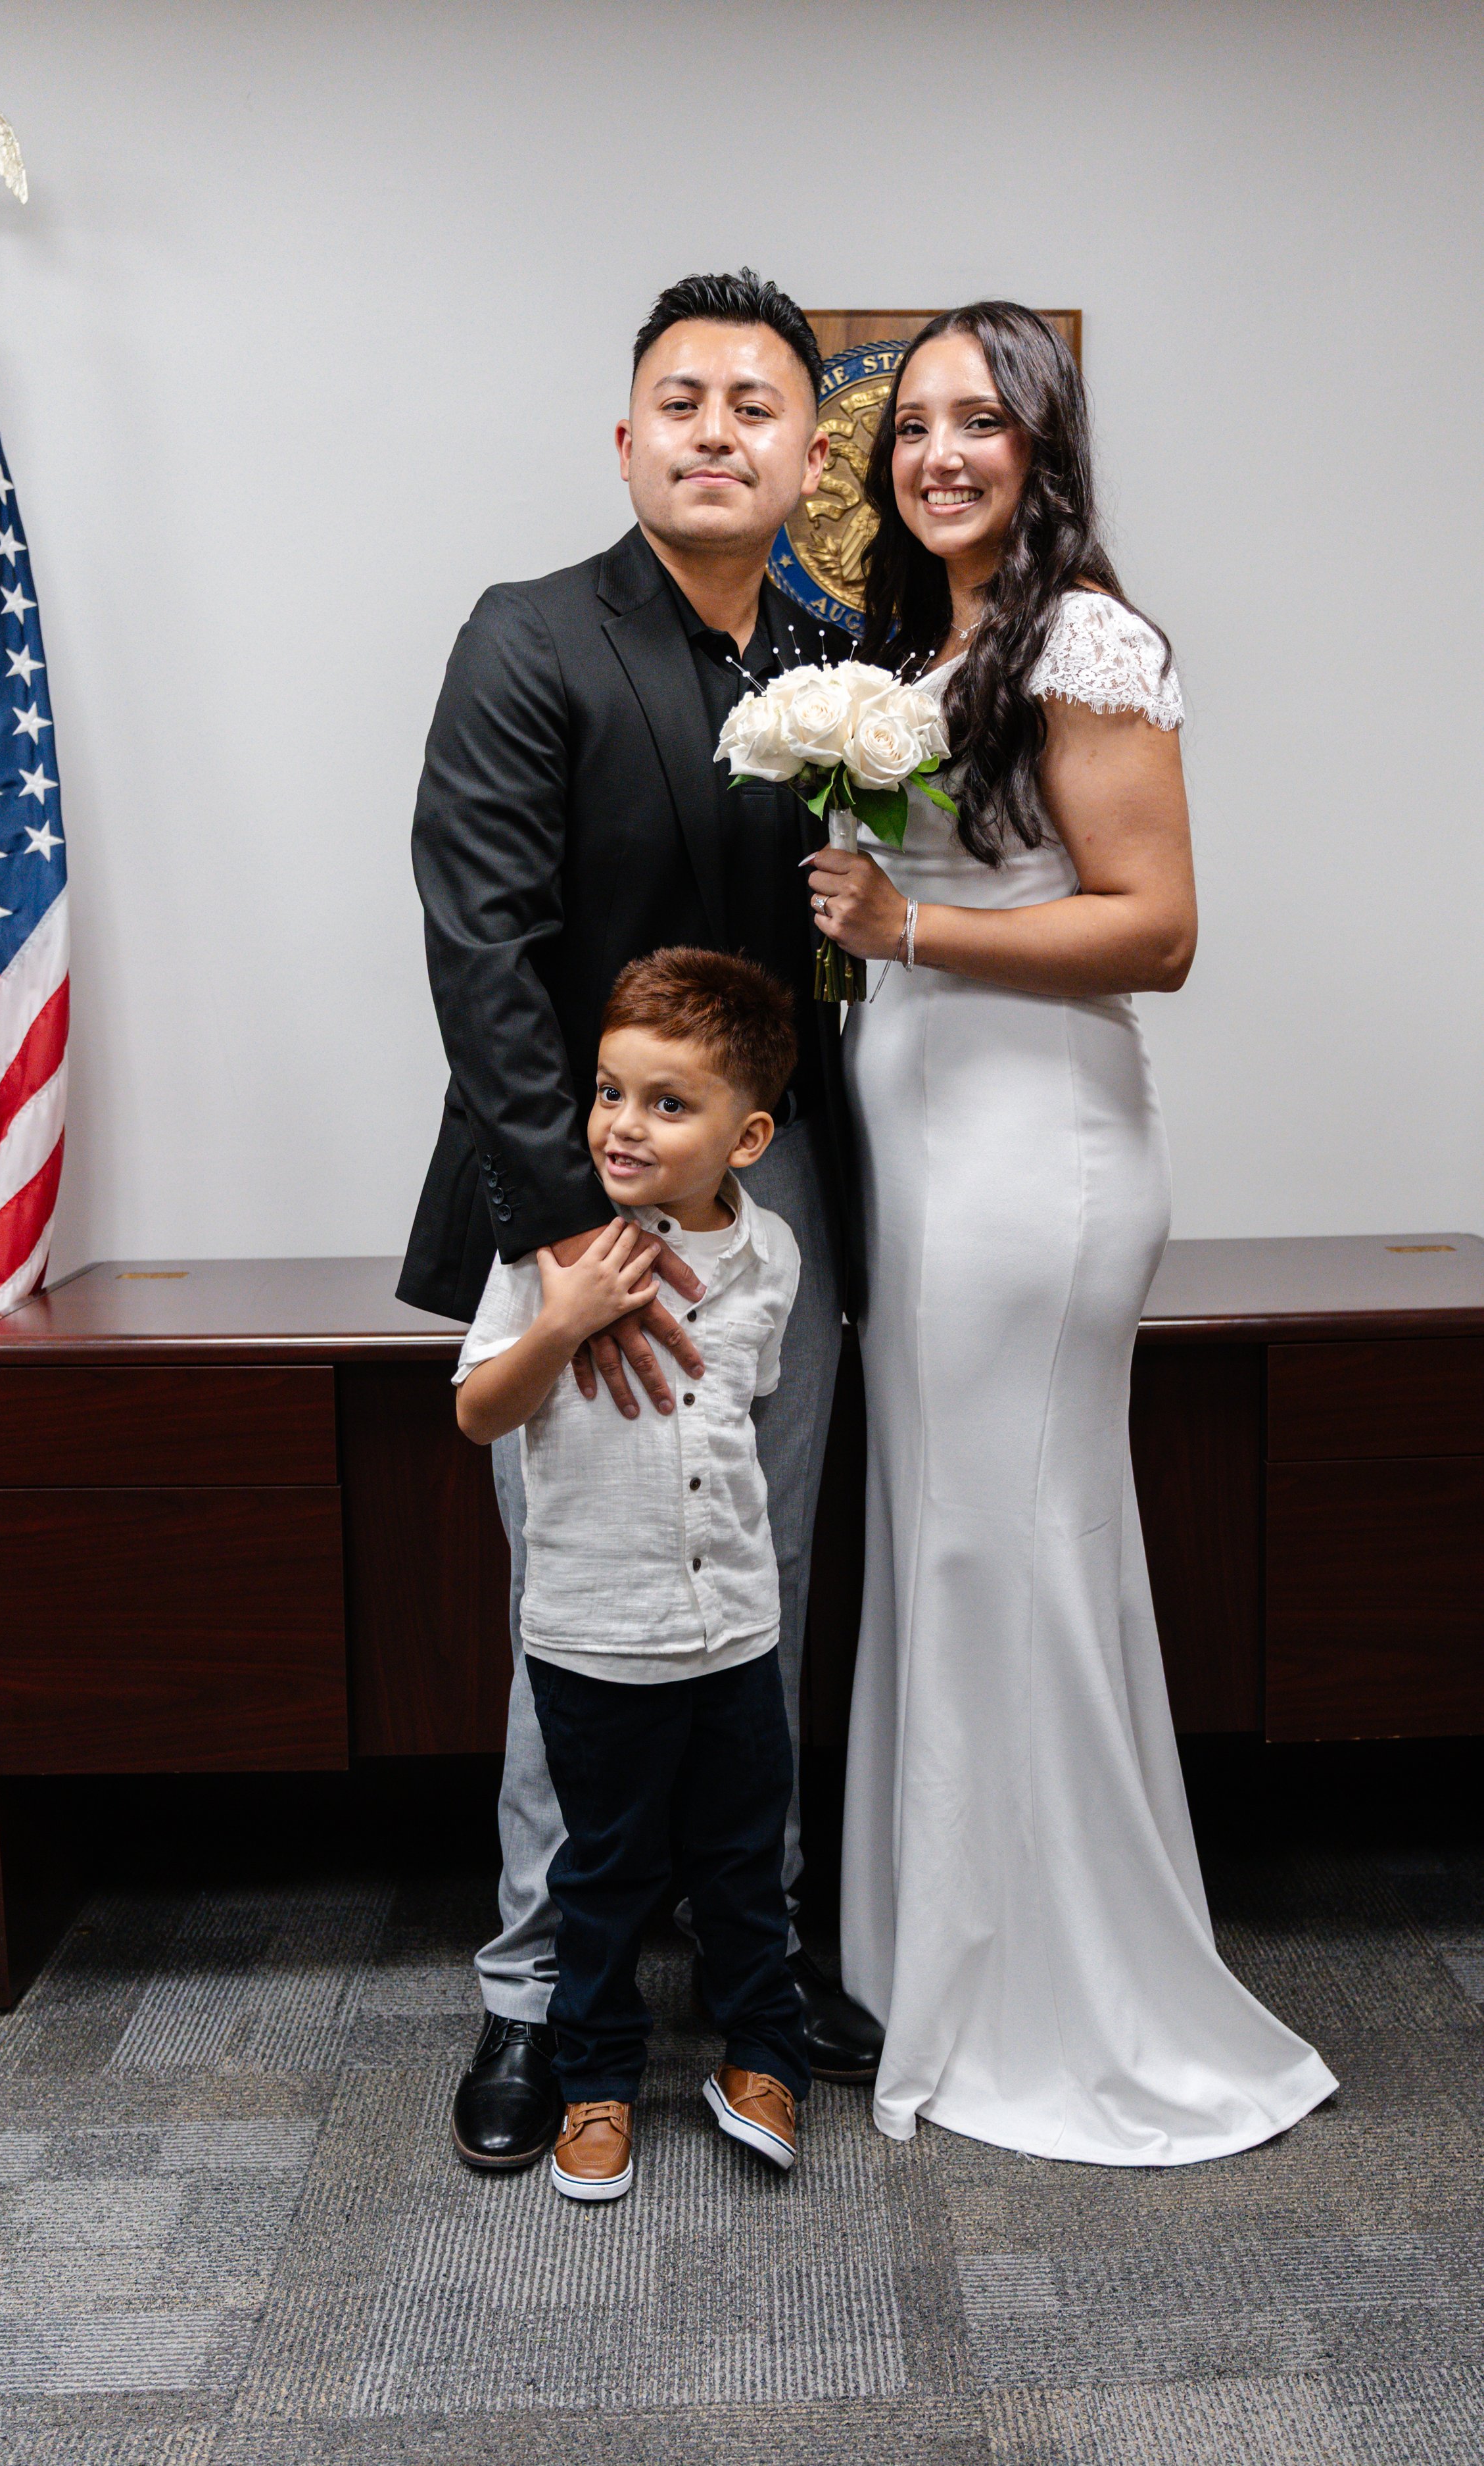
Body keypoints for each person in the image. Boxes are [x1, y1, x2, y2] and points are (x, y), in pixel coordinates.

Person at [807, 302, 1337, 2164]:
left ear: (1040, 443)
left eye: (978, 420)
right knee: (952, 1544)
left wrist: (910, 931)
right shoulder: (930, 646)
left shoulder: (1083, 636)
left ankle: (1061, 1995)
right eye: (911, 425)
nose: (937, 453)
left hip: (1031, 1150)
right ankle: (940, 1952)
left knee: (1004, 1546)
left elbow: (1156, 927)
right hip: (920, 1142)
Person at [400, 269, 884, 2175]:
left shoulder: (846, 661)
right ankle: (534, 1992)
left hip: (783, 1194)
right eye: (679, 400)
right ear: (626, 440)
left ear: (804, 456)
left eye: (752, 405)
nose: (712, 430)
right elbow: (480, 946)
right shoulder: (528, 636)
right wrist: (560, 1242)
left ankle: (758, 1966)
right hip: (575, 1191)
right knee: (579, 1600)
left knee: (762, 1579)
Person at [452, 950, 811, 2200]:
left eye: (667, 1103)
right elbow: (477, 1413)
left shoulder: (773, 1255)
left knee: (743, 1863)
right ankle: (596, 2078)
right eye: (609, 1091)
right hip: (594, 1634)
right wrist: (562, 1321)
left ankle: (763, 2055)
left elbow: (744, 1409)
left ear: (746, 1137)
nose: (622, 1124)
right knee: (600, 1877)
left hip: (735, 1630)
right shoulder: (550, 1253)